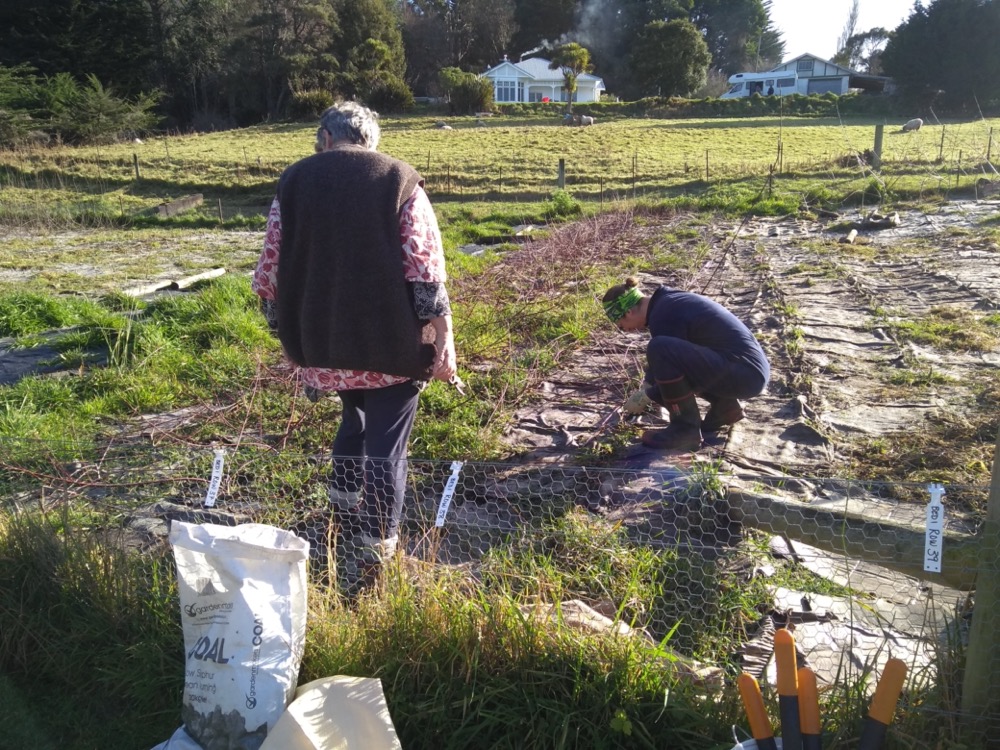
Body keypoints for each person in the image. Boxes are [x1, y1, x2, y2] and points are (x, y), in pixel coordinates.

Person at [252, 101, 457, 594]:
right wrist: (443, 339)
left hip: (324, 347)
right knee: (388, 445)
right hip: (390, 348)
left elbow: (269, 272)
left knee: (354, 421)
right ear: (371, 140)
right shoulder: (399, 180)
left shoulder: (294, 182)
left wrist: (290, 339)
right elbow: (424, 272)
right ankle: (375, 555)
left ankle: (341, 517)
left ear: (325, 136)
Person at [603, 278, 769, 451]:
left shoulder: (664, 314)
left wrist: (648, 395)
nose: (625, 330)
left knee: (659, 347)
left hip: (745, 375)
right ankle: (725, 408)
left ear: (628, 312)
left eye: (621, 325)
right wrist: (647, 385)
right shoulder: (665, 303)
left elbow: (667, 364)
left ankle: (684, 431)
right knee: (665, 351)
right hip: (748, 371)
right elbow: (680, 364)